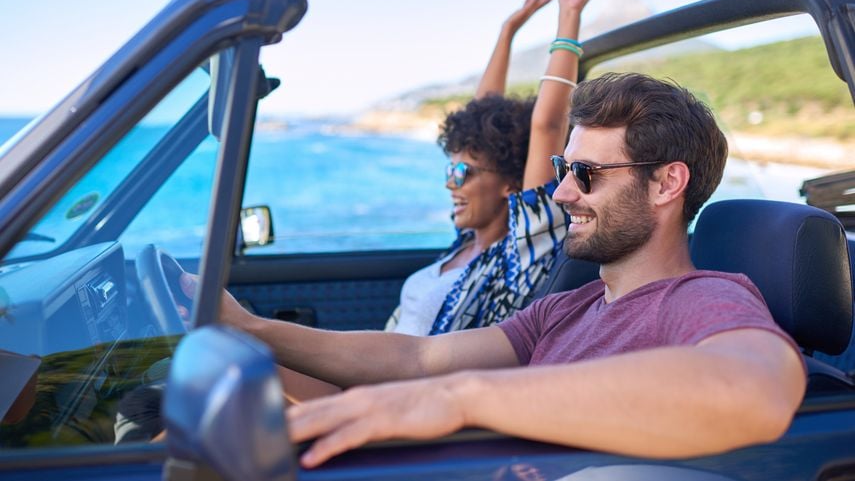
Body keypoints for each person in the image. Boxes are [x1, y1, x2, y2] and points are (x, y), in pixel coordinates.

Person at [207, 71, 807, 468]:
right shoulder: (565, 309)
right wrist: (252, 329)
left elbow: (756, 390)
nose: (563, 194)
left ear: (666, 183)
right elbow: (415, 359)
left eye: (587, 175)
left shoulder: (701, 299)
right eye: (562, 167)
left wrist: (460, 400)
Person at [385, 0, 620, 335]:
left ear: (511, 187)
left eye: (463, 172)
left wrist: (569, 12)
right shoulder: (466, 240)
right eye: (451, 168)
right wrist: (507, 31)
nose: (451, 182)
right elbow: (480, 115)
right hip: (373, 371)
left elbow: (548, 123)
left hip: (405, 387)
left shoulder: (517, 255)